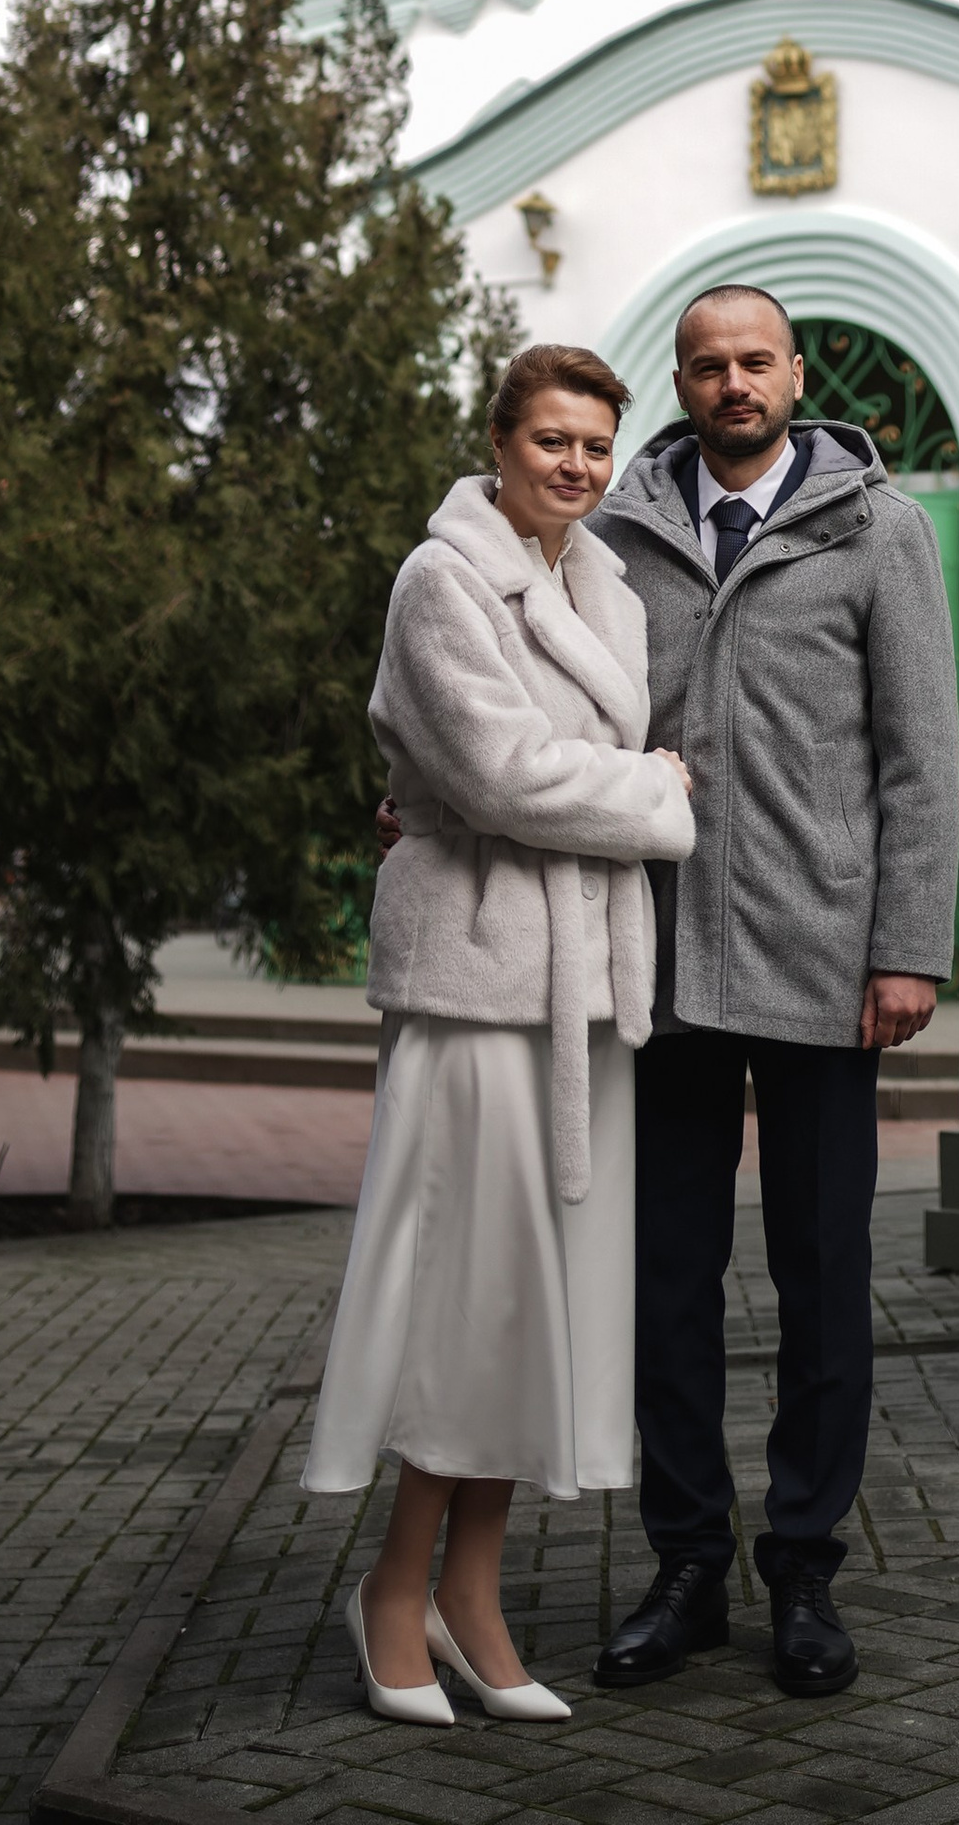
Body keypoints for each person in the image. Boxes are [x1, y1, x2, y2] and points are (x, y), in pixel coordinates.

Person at [304, 342, 697, 1729]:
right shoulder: (443, 581)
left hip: (584, 989)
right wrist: (651, 792)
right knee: (458, 1304)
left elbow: (538, 784)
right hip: (478, 984)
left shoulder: (609, 588)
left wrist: (600, 792)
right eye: (553, 441)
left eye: (597, 444)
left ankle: (476, 1595)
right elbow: (504, 775)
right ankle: (391, 1592)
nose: (578, 467)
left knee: (538, 1311)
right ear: (499, 440)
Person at [590, 285, 959, 1704]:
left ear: (796, 372)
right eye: (706, 366)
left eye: (755, 361)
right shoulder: (621, 539)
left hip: (822, 960)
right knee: (668, 1286)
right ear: (676, 382)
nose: (732, 383)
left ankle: (802, 1568)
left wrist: (908, 945)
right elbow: (555, 712)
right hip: (668, 960)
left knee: (822, 1284)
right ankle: (684, 1563)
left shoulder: (881, 531)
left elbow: (920, 757)